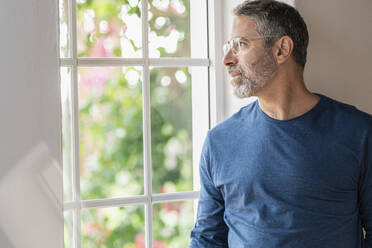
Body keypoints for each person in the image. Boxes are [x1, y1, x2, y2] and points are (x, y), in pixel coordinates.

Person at [188, 0, 372, 247]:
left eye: (240, 44)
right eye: (228, 46)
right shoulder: (219, 141)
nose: (227, 59)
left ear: (282, 49)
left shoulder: (359, 133)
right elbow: (207, 239)